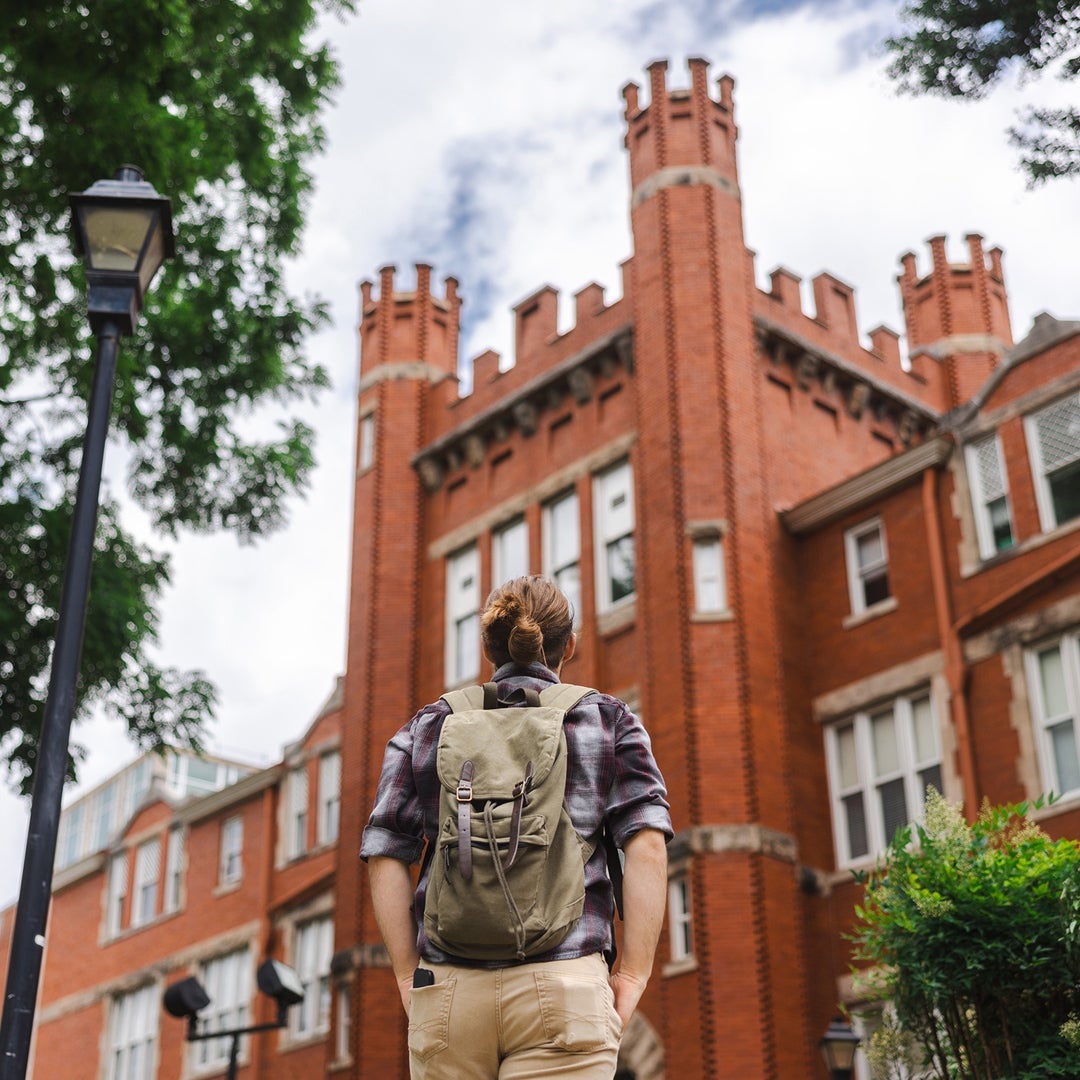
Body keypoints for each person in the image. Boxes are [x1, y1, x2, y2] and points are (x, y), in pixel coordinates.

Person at [362, 575, 672, 1079]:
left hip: (448, 991)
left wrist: (406, 974)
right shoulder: (607, 719)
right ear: (568, 645)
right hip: (566, 982)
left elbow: (385, 852)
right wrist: (633, 973)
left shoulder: (426, 726)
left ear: (488, 646)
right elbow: (647, 846)